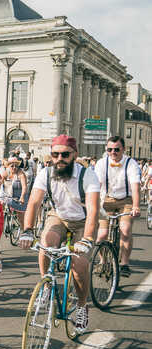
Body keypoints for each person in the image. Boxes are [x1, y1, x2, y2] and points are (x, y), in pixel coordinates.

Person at [19, 134, 99, 333]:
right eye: (55, 155)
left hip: (82, 220)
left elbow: (93, 210)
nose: (59, 159)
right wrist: (27, 230)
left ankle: (81, 305)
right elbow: (35, 202)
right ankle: (46, 285)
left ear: (74, 155)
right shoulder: (45, 173)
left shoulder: (87, 175)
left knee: (79, 266)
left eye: (65, 154)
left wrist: (88, 239)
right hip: (59, 216)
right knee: (46, 245)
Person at [94, 136, 141, 277]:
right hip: (106, 199)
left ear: (123, 149)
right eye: (109, 149)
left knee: (125, 230)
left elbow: (135, 187)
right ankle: (102, 262)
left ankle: (124, 264)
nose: (113, 152)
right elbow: (97, 185)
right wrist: (94, 205)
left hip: (126, 200)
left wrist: (136, 206)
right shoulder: (101, 163)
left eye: (116, 149)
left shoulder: (131, 164)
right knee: (101, 235)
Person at [2, 156, 29, 225]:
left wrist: (22, 197)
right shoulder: (6, 172)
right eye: (12, 166)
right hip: (9, 196)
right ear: (8, 166)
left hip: (19, 197)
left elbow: (24, 187)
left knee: (21, 219)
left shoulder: (21, 174)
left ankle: (24, 232)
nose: (14, 167)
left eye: (16, 166)